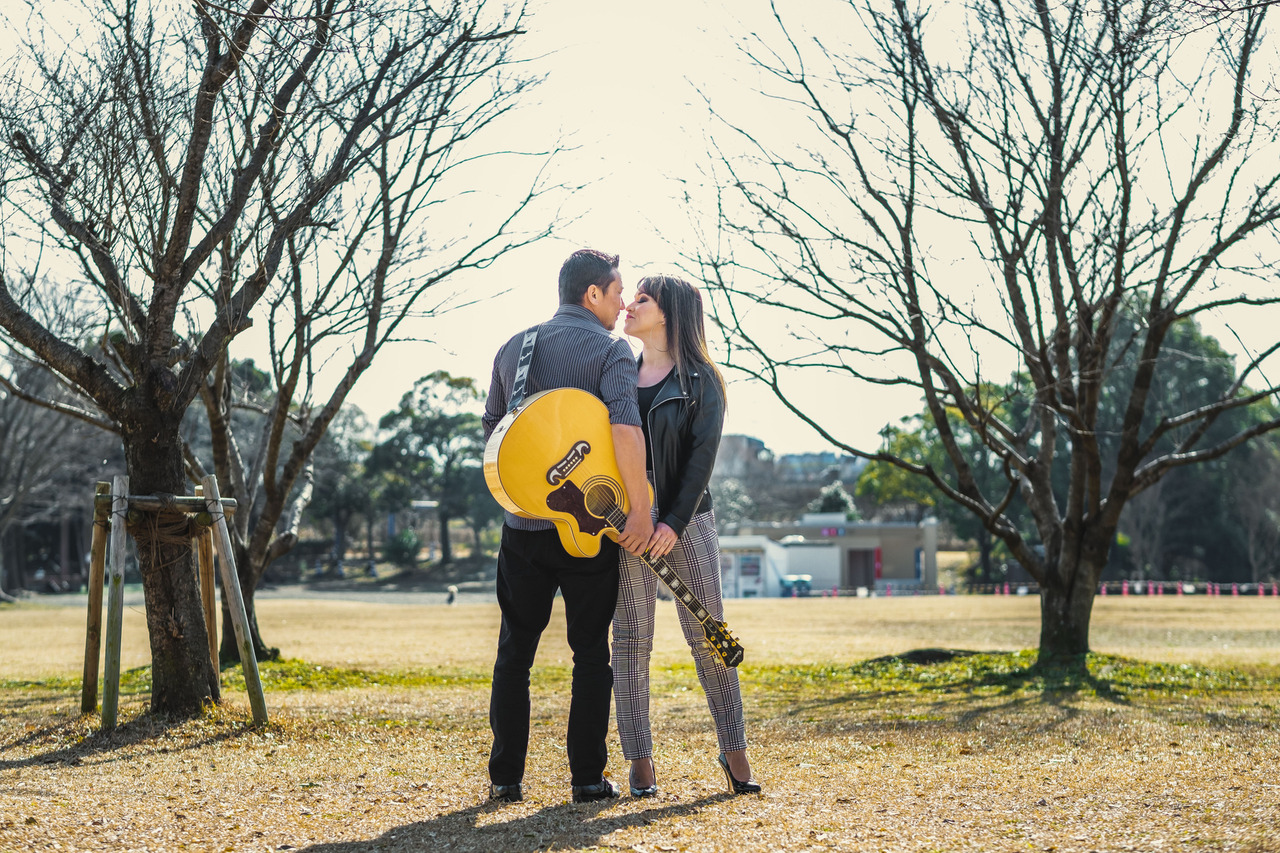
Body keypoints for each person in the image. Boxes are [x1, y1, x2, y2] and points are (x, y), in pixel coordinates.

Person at [480, 249, 655, 804]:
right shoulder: (611, 350)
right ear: (592, 295)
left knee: (515, 653)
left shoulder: (512, 346)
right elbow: (626, 429)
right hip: (585, 528)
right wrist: (640, 508)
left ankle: (505, 778)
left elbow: (493, 430)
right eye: (617, 290)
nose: (624, 301)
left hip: (523, 526)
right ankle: (586, 779)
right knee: (590, 654)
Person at [612, 274, 761, 797]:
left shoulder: (702, 380)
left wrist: (672, 523)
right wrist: (636, 515)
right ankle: (639, 760)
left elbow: (702, 461)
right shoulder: (616, 373)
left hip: (687, 521)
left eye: (643, 299)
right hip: (626, 524)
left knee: (709, 635)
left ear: (670, 313)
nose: (628, 304)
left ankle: (734, 748)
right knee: (631, 640)